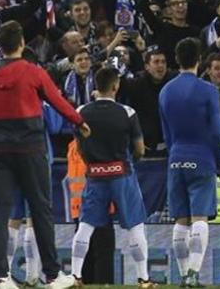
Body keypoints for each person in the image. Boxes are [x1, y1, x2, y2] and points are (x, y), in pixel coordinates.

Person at [0, 21, 86, 289]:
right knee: (40, 210)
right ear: (22, 43)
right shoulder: (32, 71)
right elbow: (57, 100)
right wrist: (78, 120)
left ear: (0, 46)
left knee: (0, 212)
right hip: (30, 148)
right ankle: (52, 275)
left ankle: (1, 277)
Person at [69, 67, 154, 289]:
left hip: (96, 175)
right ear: (116, 86)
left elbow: (79, 145)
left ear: (96, 86)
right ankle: (143, 279)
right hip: (121, 174)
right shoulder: (127, 112)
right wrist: (129, 163)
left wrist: (93, 164)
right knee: (135, 226)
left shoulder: (81, 111)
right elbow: (139, 149)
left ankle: (76, 276)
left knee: (85, 226)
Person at [159, 37, 220, 289]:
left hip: (176, 157)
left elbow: (165, 133)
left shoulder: (165, 91)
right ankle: (193, 275)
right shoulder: (208, 90)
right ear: (199, 60)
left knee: (180, 220)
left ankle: (182, 274)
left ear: (176, 60)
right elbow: (217, 132)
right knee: (200, 218)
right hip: (202, 158)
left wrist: (174, 156)